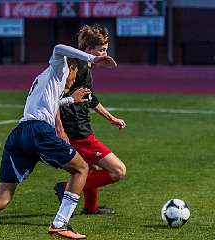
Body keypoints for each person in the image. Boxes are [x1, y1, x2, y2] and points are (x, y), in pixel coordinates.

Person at [0, 44, 117, 240]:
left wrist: (70, 100)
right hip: (39, 131)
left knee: (2, 198)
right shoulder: (59, 67)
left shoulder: (43, 80)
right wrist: (92, 58)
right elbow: (58, 47)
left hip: (19, 134)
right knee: (82, 169)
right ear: (70, 67)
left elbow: (49, 104)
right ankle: (60, 224)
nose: (73, 80)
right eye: (74, 75)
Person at [54, 25, 126, 215]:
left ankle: (90, 207)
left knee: (91, 167)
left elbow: (89, 98)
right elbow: (56, 99)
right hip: (78, 132)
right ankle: (65, 187)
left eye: (106, 49)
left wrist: (111, 118)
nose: (105, 53)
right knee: (118, 171)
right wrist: (60, 128)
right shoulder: (78, 66)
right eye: (101, 49)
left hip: (79, 128)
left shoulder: (83, 65)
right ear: (88, 50)